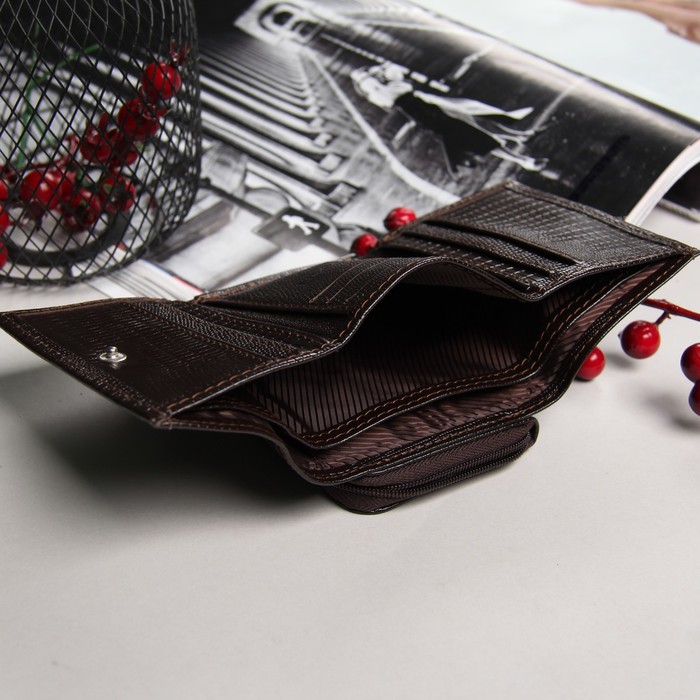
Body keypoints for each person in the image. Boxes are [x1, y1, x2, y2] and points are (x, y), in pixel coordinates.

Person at [350, 61, 547, 174]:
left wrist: (378, 73)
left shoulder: (379, 92)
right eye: (368, 77)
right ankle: (523, 158)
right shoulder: (384, 87)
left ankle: (520, 140)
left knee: (473, 119)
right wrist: (381, 71)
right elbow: (397, 78)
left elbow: (394, 82)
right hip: (428, 111)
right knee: (474, 132)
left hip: (427, 110)